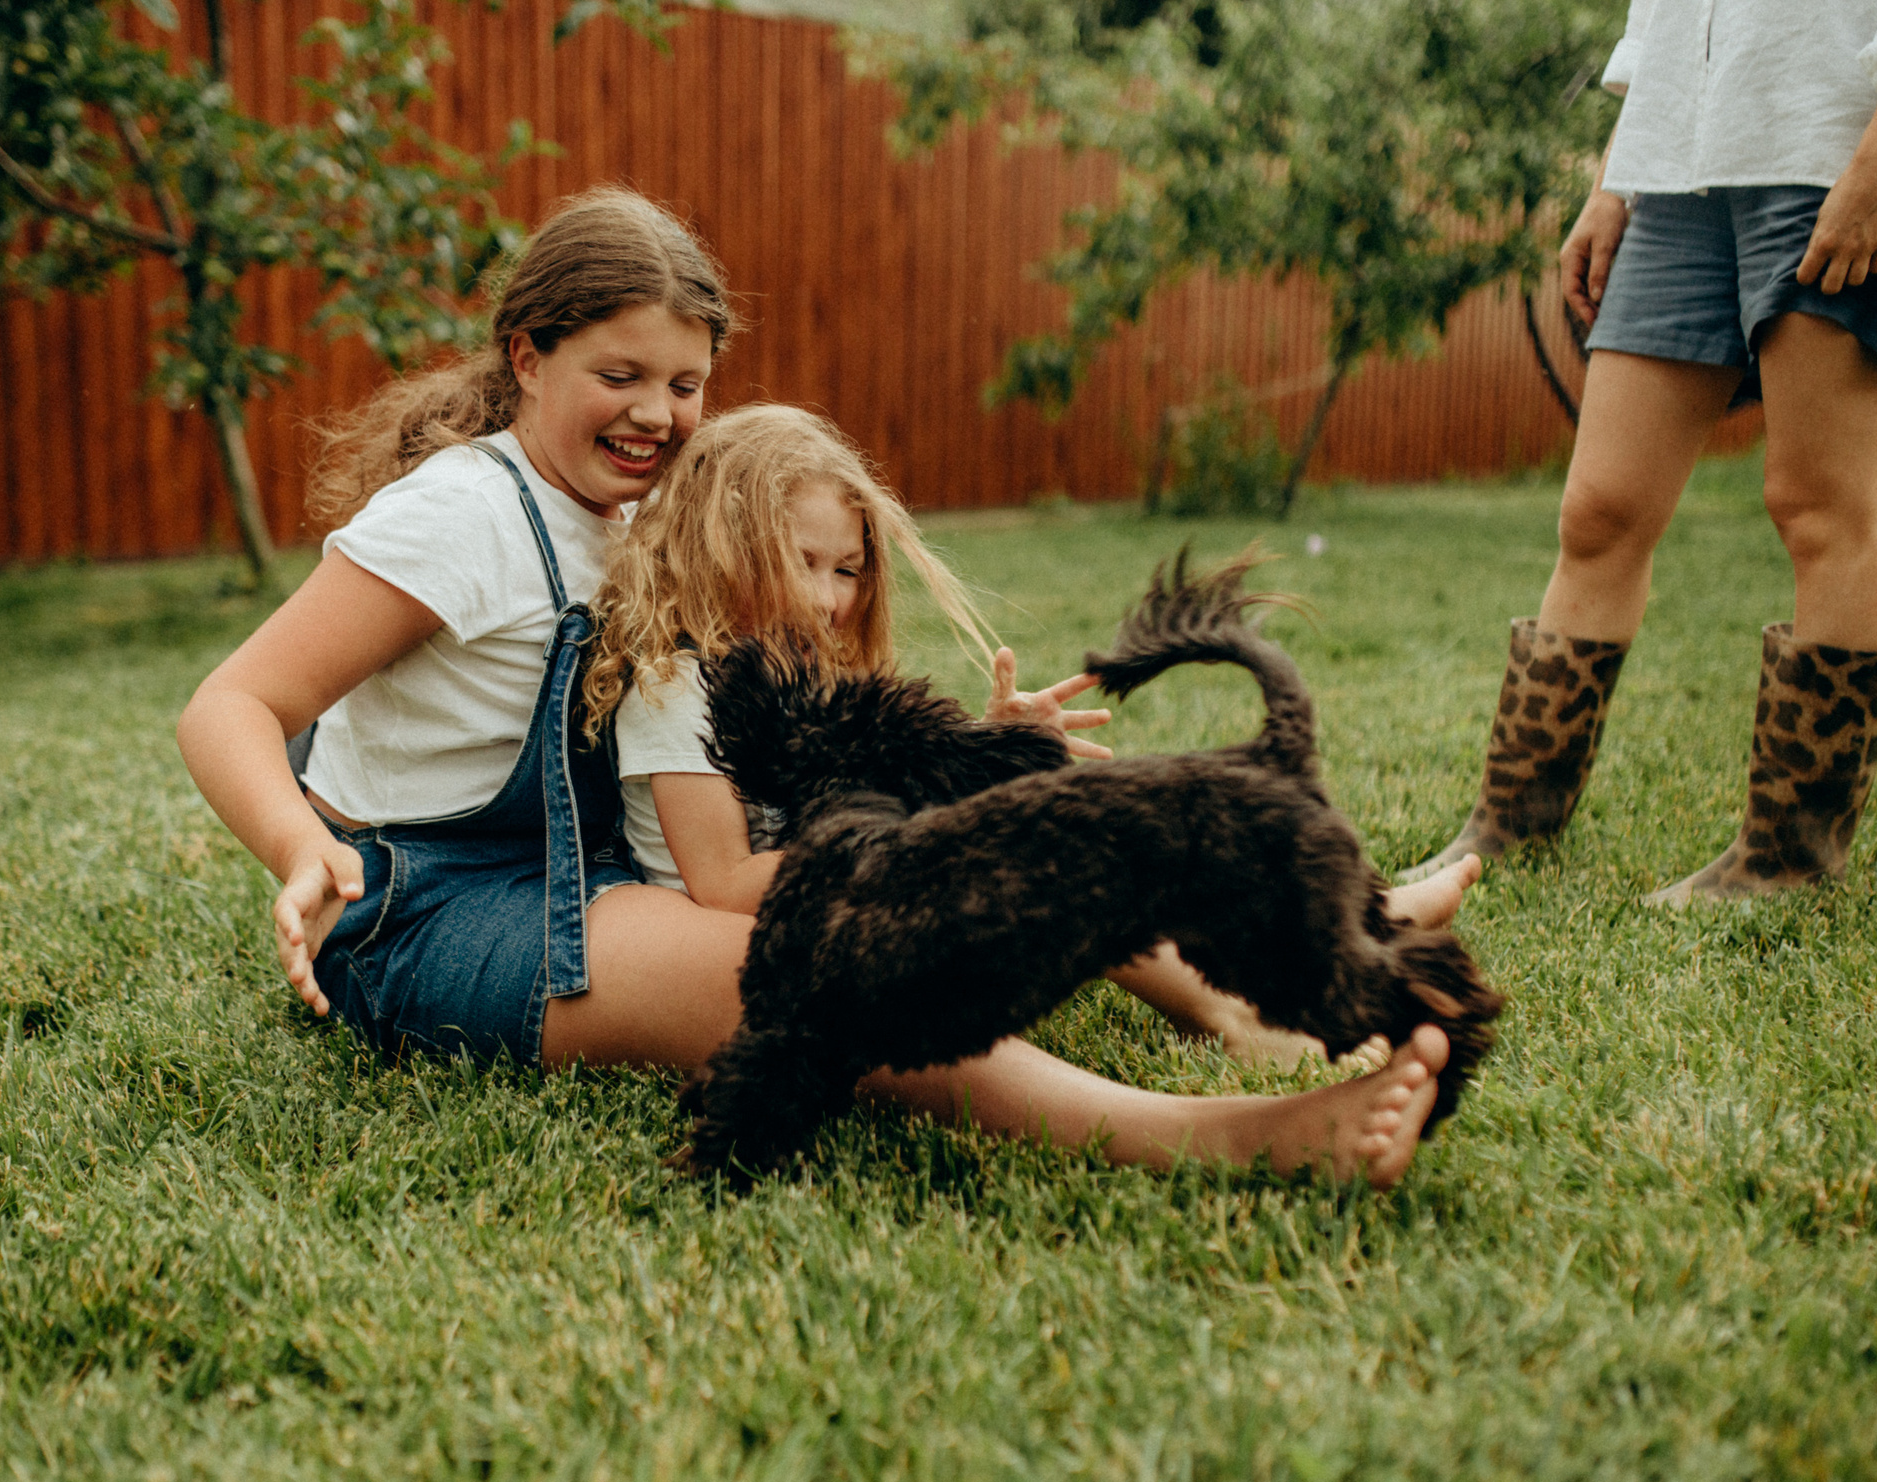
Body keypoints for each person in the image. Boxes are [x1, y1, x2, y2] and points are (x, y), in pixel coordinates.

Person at [178, 187, 1459, 1187]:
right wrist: (299, 846)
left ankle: (1258, 974)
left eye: (684, 384)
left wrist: (962, 768)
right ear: (527, 354)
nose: (655, 413)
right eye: (618, 376)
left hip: (603, 871)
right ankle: (1219, 1139)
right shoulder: (458, 517)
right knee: (819, 962)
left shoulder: (651, 509)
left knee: (984, 843)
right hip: (423, 911)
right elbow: (230, 705)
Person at [1407, 0, 1877, 903]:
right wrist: (1616, 182)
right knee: (1601, 508)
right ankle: (1514, 821)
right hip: (1679, 165)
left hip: (1837, 139)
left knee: (1824, 508)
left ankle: (1789, 859)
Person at [586, 399, 1450, 1067]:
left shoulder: (808, 671)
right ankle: (1230, 1011)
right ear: (721, 544)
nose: (828, 597)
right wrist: (921, 843)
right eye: (801, 561)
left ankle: (1320, 923)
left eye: (846, 569)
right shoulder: (676, 689)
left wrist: (983, 754)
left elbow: (871, 786)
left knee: (1066, 823)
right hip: (773, 940)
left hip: (848, 892)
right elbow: (722, 884)